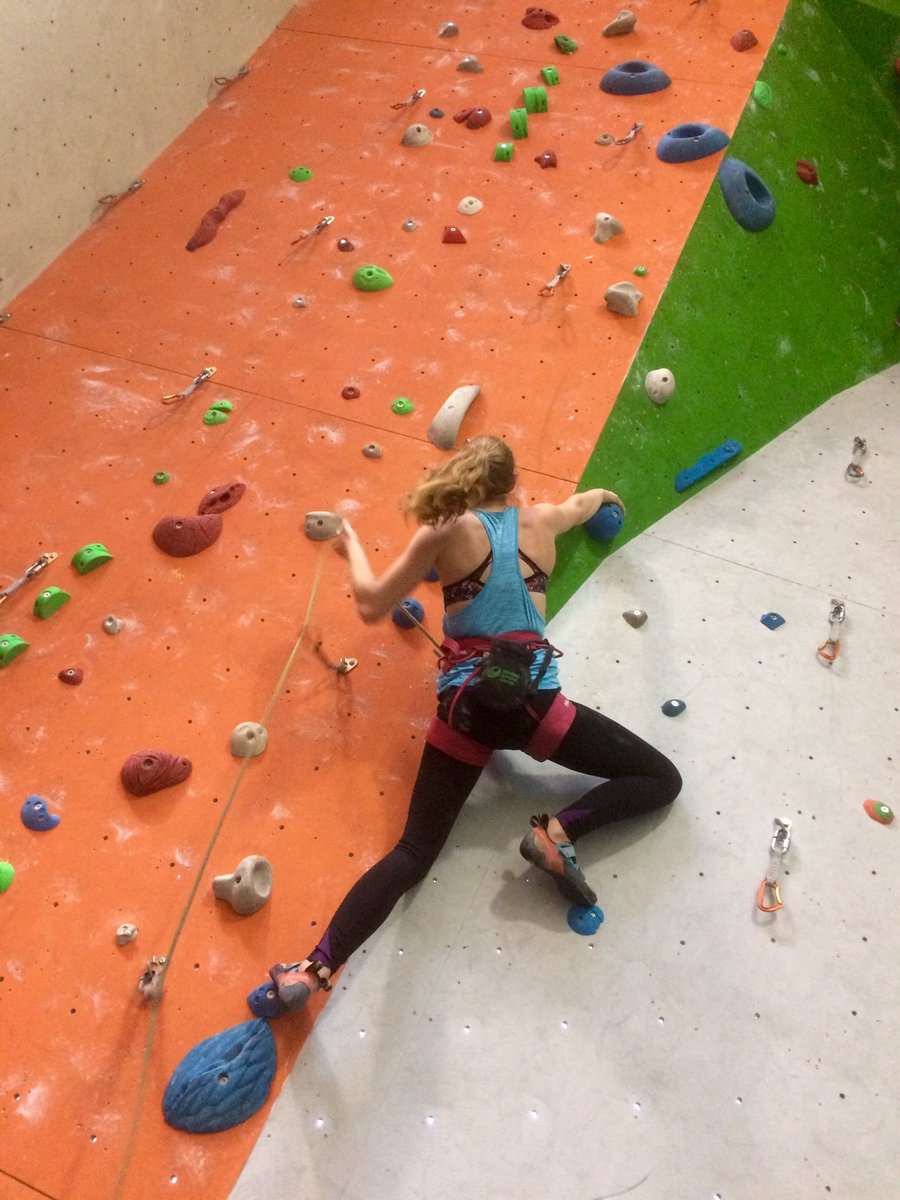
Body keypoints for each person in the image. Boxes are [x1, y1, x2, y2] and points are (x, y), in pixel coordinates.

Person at [268, 436, 681, 1010]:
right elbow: (586, 503)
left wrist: (351, 545)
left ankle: (313, 970)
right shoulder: (543, 519)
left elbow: (369, 604)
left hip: (465, 713)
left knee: (412, 854)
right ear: (515, 484)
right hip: (536, 709)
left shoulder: (443, 527)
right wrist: (605, 498)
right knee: (662, 779)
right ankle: (557, 834)